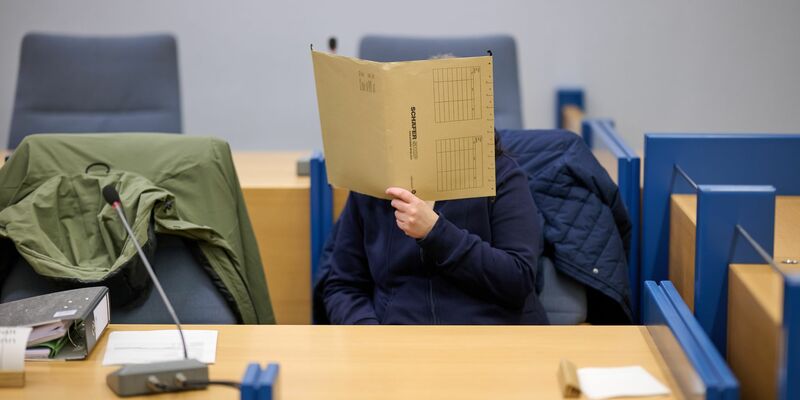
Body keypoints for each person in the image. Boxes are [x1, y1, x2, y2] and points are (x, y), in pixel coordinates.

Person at [323, 137, 547, 324]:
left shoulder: (499, 172)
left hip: (489, 339)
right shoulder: (372, 183)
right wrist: (369, 332)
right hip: (401, 346)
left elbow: (518, 278)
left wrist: (436, 232)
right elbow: (343, 286)